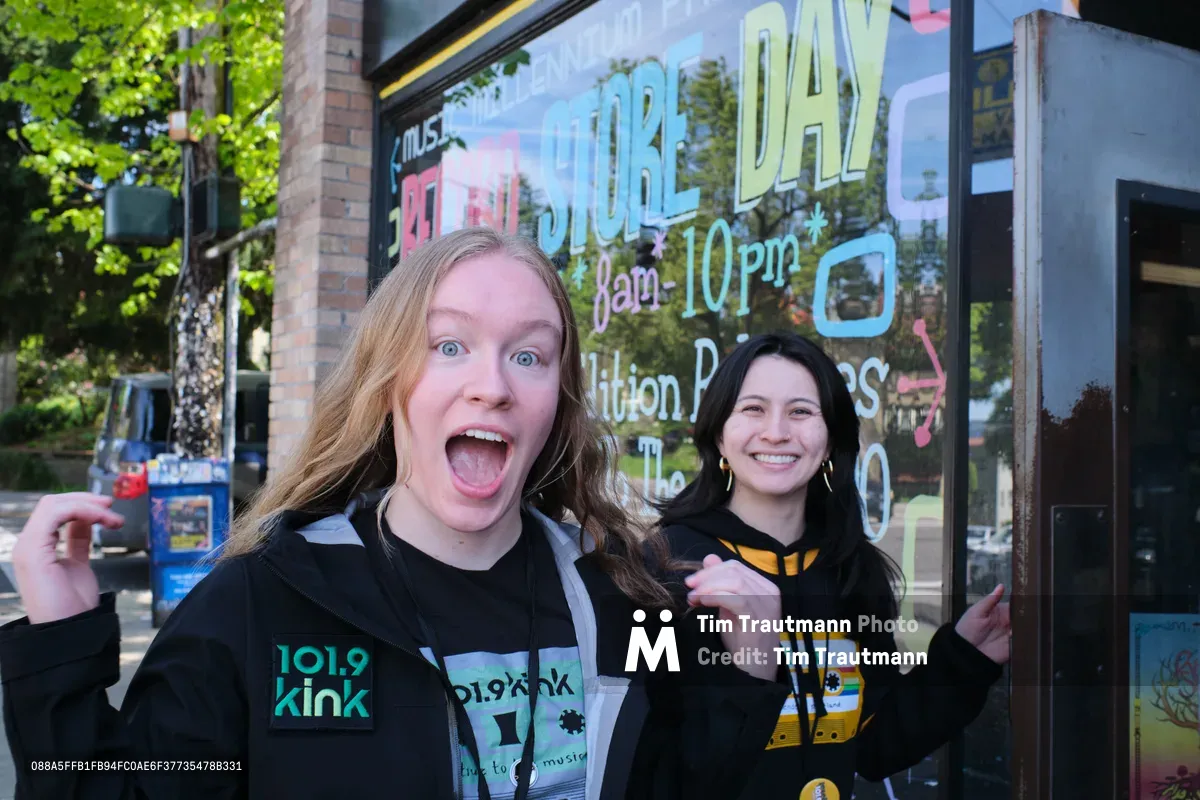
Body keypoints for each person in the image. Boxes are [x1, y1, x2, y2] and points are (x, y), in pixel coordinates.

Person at [0, 229, 790, 799]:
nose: (493, 385)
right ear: (387, 383)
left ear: (557, 402)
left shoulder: (627, 593)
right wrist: (60, 651)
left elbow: (684, 777)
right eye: (449, 346)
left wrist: (752, 665)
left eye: (529, 355)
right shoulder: (261, 604)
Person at [656, 332, 1010, 800]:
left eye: (801, 411)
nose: (777, 432)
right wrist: (752, 671)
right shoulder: (663, 571)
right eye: (753, 409)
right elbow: (652, 767)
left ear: (830, 442)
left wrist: (966, 658)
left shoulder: (852, 570)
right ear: (719, 433)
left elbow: (874, 746)